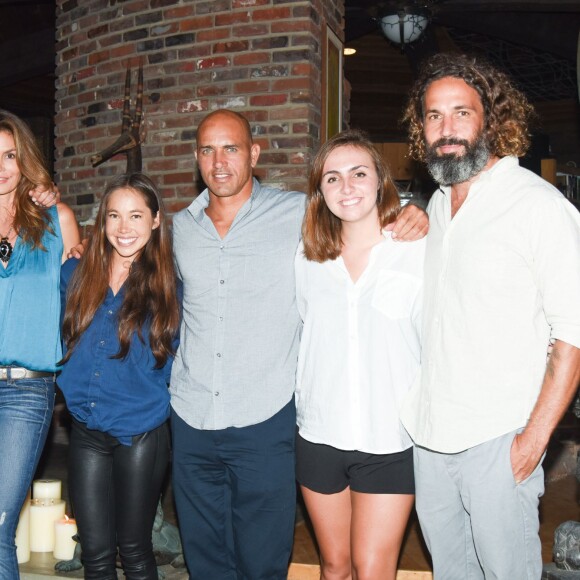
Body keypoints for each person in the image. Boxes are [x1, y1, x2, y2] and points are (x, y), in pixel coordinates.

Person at [169, 108, 429, 579]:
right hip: (191, 415)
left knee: (266, 559)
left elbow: (361, 215)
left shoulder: (298, 216)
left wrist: (417, 212)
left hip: (266, 417)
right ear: (196, 158)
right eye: (207, 149)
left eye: (231, 147)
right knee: (205, 558)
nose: (219, 160)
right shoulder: (178, 228)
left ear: (254, 153)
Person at [399, 53, 580, 579]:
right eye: (434, 116)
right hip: (430, 438)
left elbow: (574, 333)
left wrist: (534, 440)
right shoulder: (434, 207)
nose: (446, 128)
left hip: (500, 440)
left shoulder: (537, 206)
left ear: (492, 120)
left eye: (461, 112)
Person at [295, 129, 424, 579]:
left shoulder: (417, 252)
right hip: (320, 434)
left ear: (379, 181)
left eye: (358, 173)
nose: (346, 187)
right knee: (334, 565)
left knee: (372, 570)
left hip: (389, 437)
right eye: (332, 178)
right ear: (319, 190)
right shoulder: (306, 258)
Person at [58, 173, 180, 580]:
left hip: (140, 432)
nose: (124, 228)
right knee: (94, 551)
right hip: (87, 430)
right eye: (114, 216)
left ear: (156, 220)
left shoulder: (171, 286)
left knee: (134, 548)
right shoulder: (74, 274)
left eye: (135, 216)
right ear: (102, 222)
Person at [0, 109, 80, 578]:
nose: (2, 167)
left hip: (25, 394)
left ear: (24, 158)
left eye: (10, 155)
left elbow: (83, 305)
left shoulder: (56, 218)